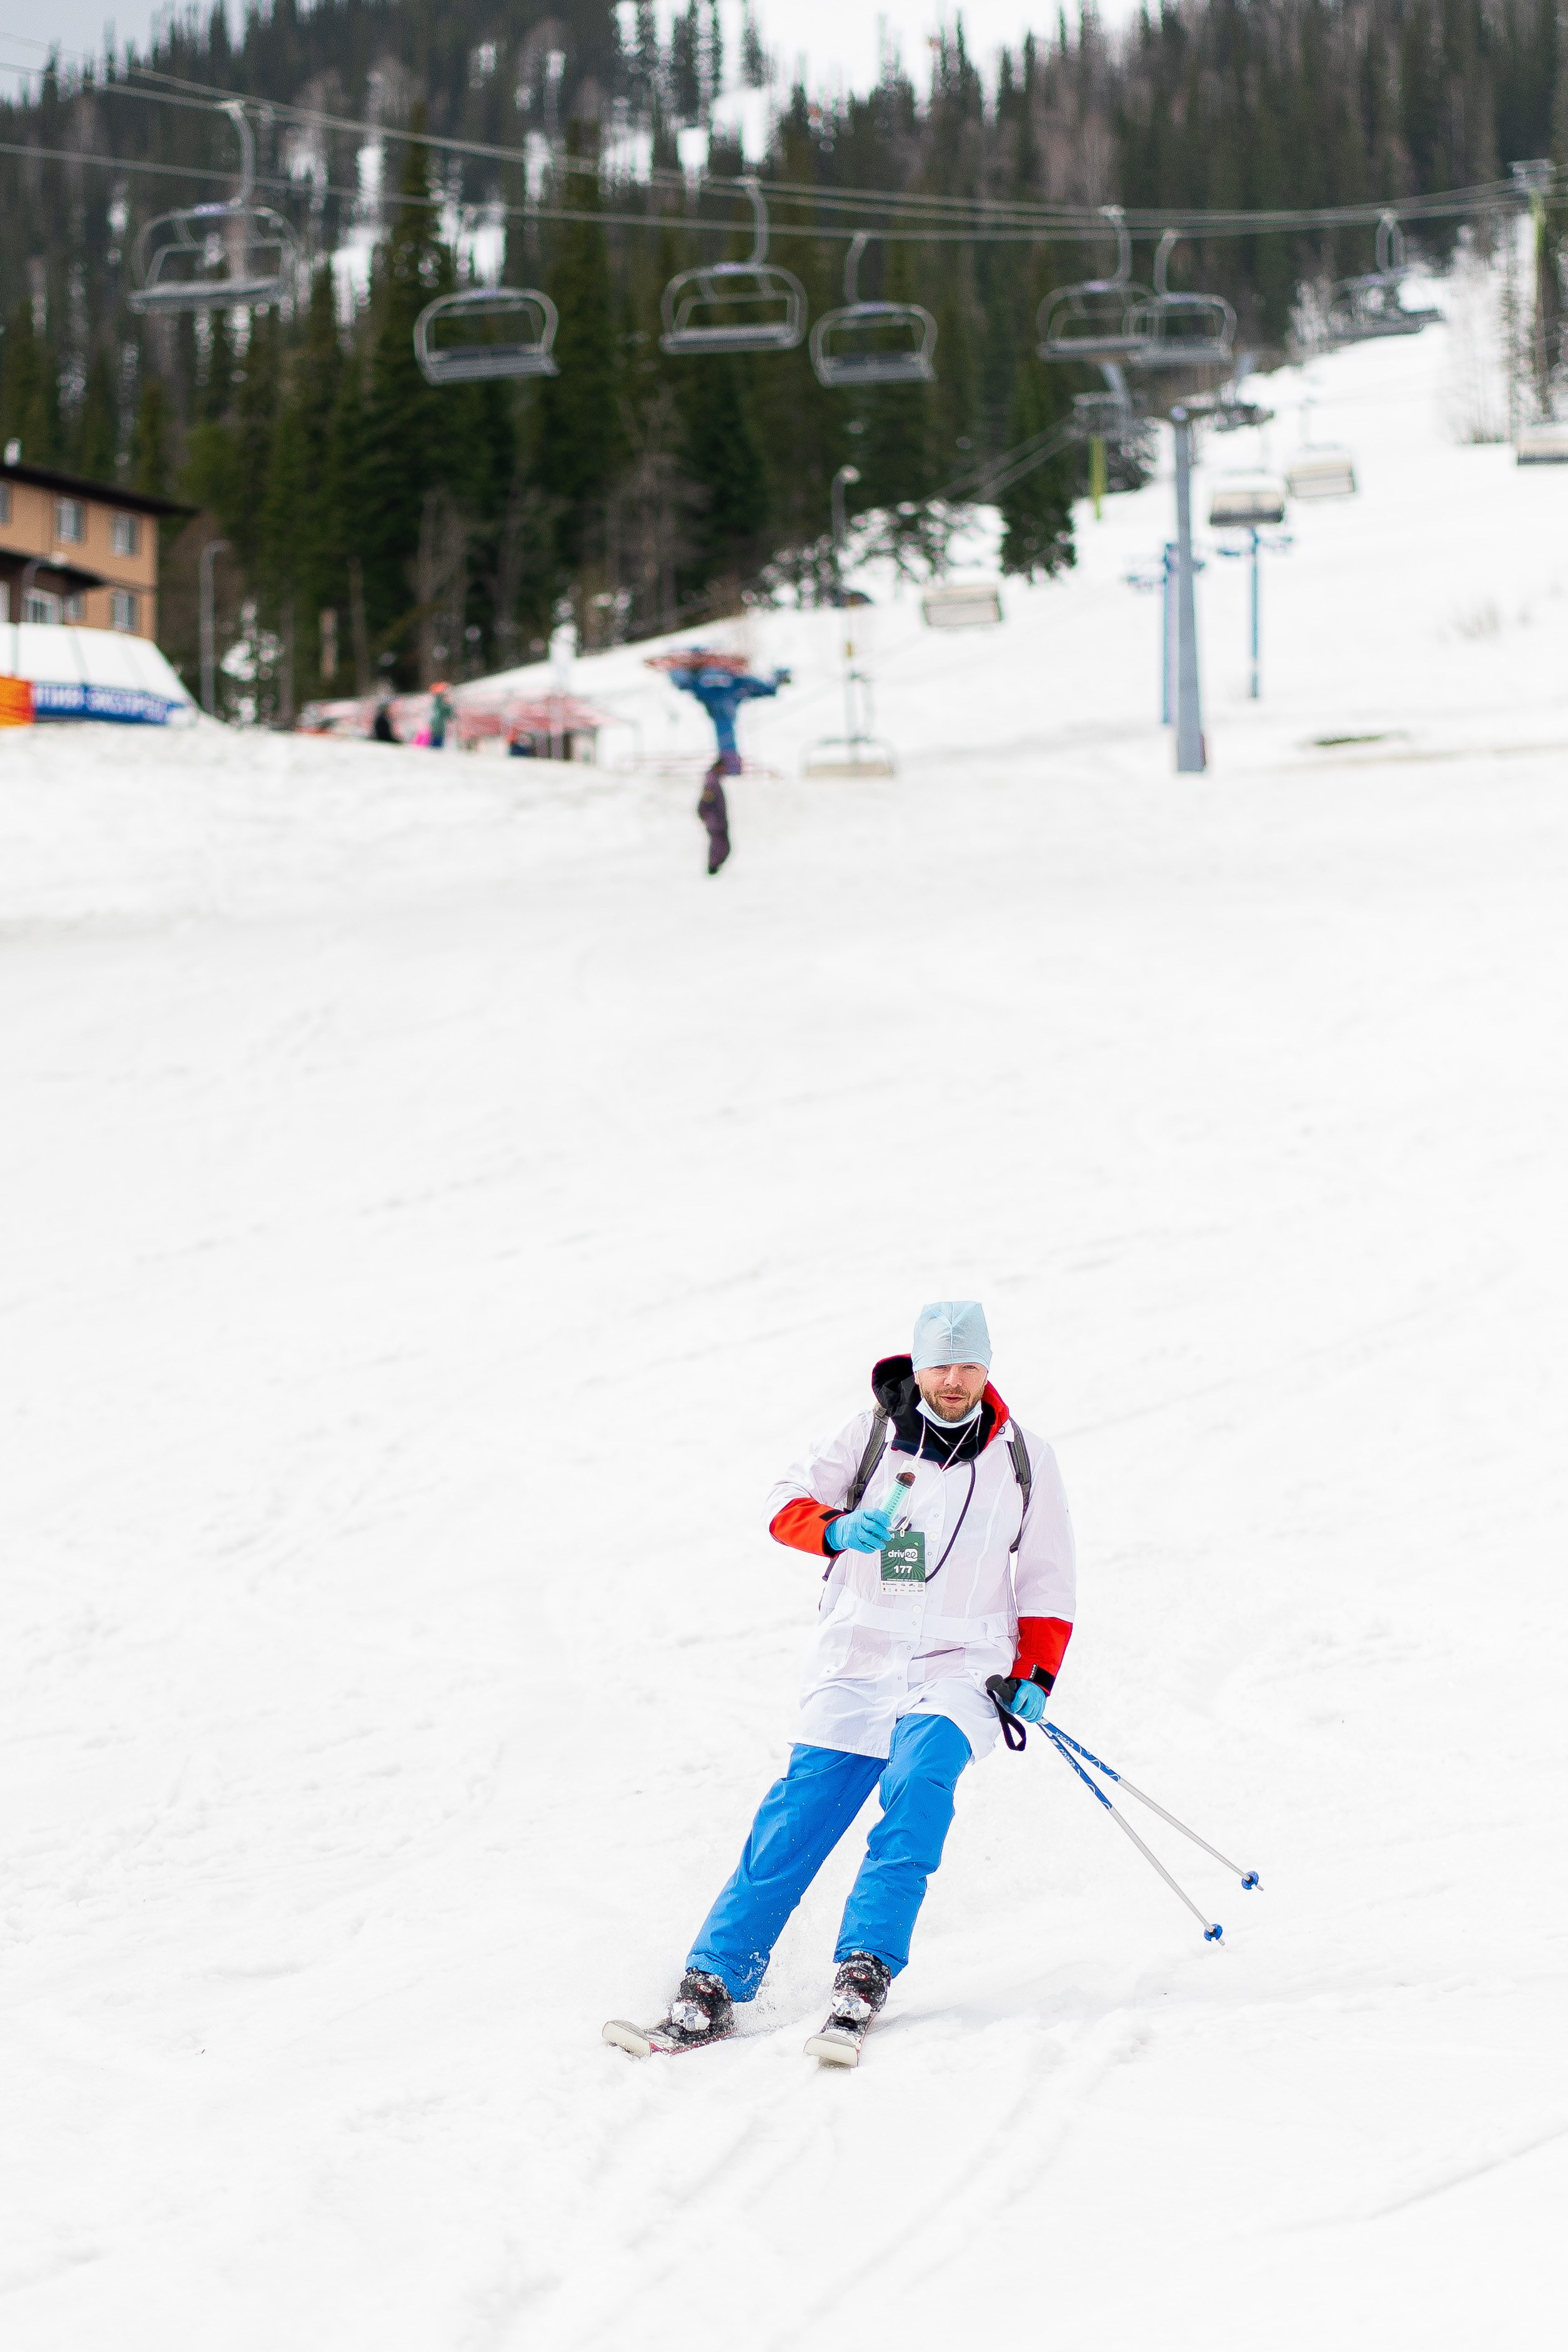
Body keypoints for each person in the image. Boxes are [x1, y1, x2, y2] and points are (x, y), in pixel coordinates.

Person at [605, 1301, 1076, 2064]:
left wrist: (1036, 1672)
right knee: (796, 1818)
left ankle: (864, 1970)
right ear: (917, 1366)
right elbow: (781, 1504)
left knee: (919, 1787)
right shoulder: (866, 1436)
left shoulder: (1023, 1457)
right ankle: (711, 1985)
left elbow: (1049, 1576)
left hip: (960, 1666)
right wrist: (833, 1528)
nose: (952, 1380)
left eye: (968, 1365)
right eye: (939, 1364)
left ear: (989, 1367)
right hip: (859, 1660)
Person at [657, 651, 791, 875]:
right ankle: (714, 866)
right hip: (718, 820)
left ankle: (715, 865)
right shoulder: (732, 684)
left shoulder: (710, 685)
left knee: (720, 838)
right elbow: (764, 688)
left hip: (717, 819)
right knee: (721, 838)